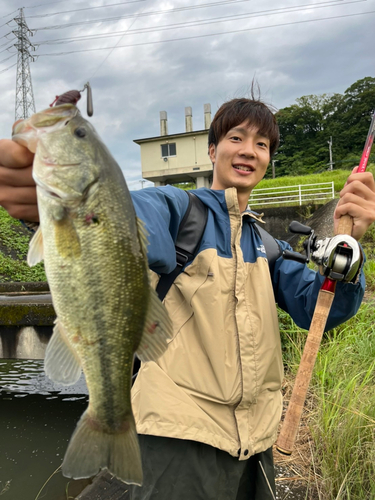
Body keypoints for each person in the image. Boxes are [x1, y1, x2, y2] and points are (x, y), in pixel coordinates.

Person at [1, 97, 375, 500]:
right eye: (237, 137)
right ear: (212, 150)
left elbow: (319, 308)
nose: (249, 149)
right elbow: (127, 215)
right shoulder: (178, 209)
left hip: (254, 450)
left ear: (268, 160)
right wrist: (57, 203)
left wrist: (349, 251)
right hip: (175, 445)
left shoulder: (269, 248)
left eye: (262, 144)